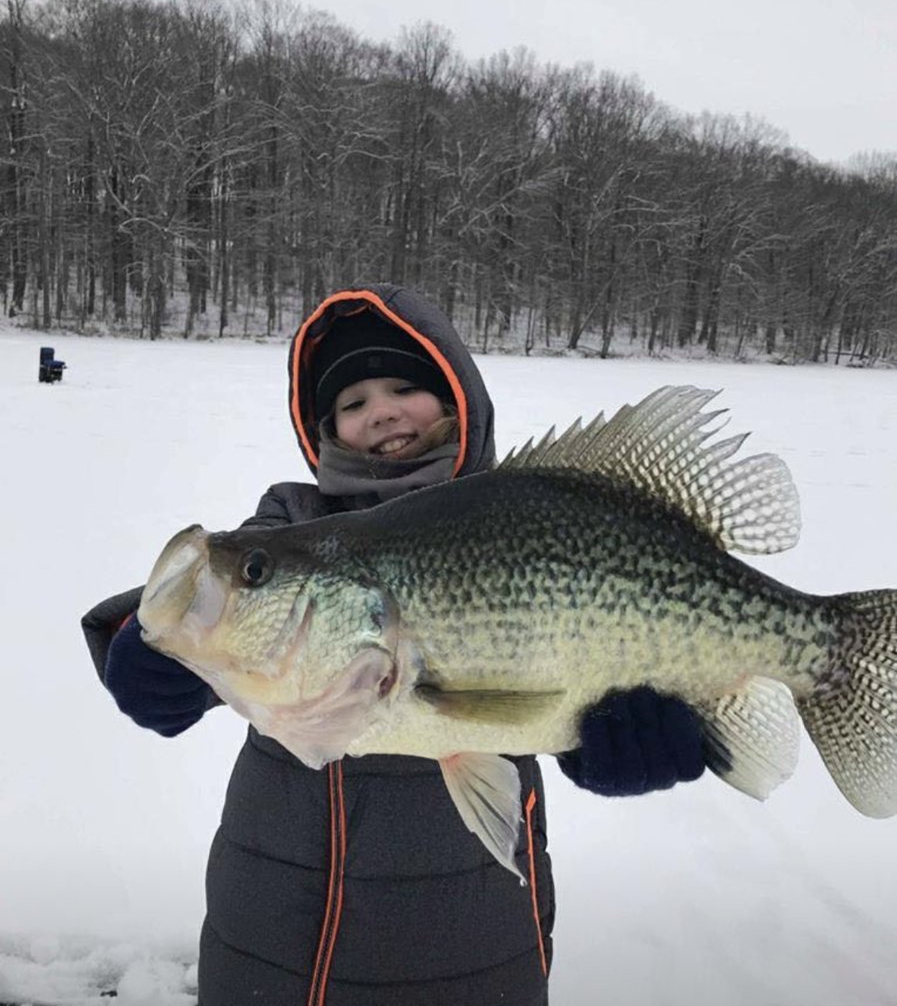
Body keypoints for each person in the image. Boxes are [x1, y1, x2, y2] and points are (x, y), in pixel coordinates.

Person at [82, 284, 705, 1006]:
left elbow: (560, 678)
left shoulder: (526, 513)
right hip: (276, 918)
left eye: (404, 387)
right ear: (326, 430)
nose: (379, 410)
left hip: (475, 922)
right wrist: (150, 652)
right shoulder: (295, 520)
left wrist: (606, 743)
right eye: (351, 403)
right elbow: (221, 599)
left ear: (455, 399)